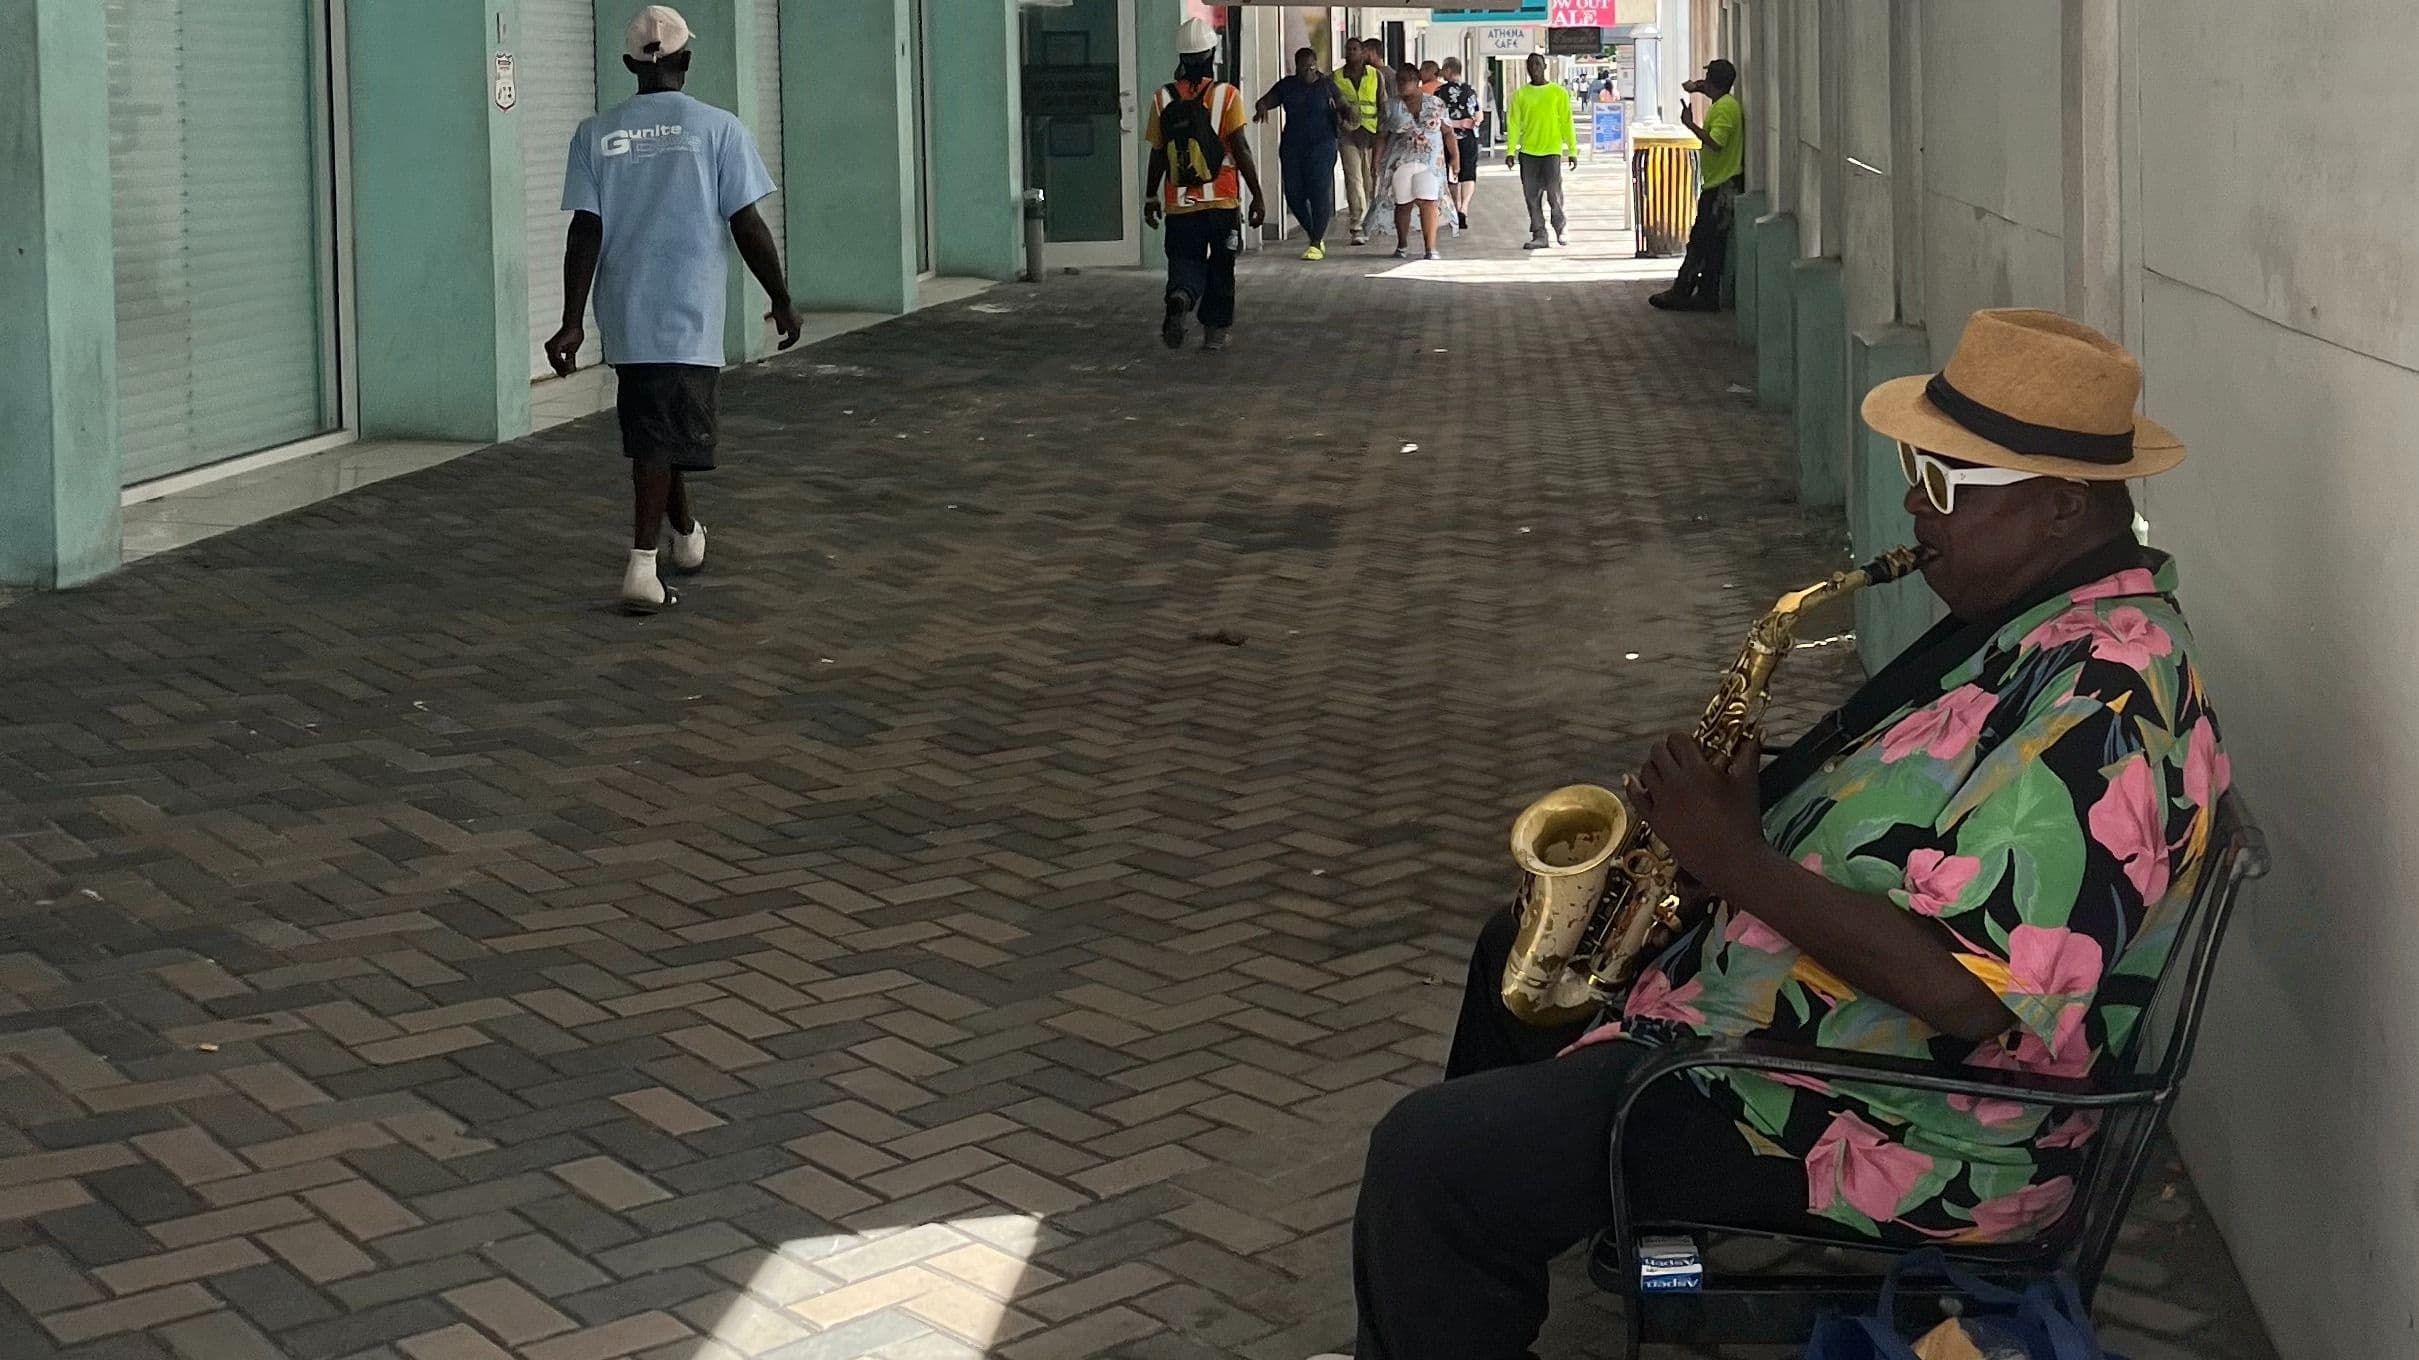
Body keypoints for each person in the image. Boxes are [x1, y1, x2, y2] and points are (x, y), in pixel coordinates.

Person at [1314, 309, 2226, 1360]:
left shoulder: (2106, 702)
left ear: (2062, 505)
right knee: (1508, 951)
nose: (1910, 508)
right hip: (1807, 1039)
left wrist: (1736, 859)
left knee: (1429, 1159)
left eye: (1942, 485)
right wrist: (1736, 836)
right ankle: (1458, 1287)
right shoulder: (2031, 623)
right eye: (1915, 470)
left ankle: (1465, 1244)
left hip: (1904, 1124)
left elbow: (1966, 991)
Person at [547, 5, 801, 615]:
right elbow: (747, 224)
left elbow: (585, 230)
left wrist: (573, 319)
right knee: (660, 436)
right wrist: (781, 297)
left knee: (655, 428)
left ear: (629, 64)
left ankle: (685, 537)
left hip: (628, 313)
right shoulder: (719, 129)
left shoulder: (594, 134)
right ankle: (640, 565)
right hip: (689, 312)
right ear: (686, 60)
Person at [1143, 17, 1265, 353]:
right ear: (1212, 54)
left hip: (1179, 204)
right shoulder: (1227, 95)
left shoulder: (1162, 98)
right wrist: (1257, 195)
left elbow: (1157, 154)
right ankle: (1215, 332)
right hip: (1221, 203)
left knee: (1184, 259)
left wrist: (1151, 195)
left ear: (1181, 56)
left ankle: (1182, 296)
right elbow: (1240, 148)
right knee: (1222, 266)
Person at [1652, 59, 1747, 311]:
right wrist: (1695, 87)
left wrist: (1690, 125)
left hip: (1720, 187)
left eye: (1707, 80)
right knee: (1713, 245)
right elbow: (1707, 87)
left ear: (1714, 83)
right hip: (1719, 183)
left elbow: (1716, 142)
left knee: (1700, 240)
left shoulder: (1725, 109)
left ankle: (1682, 290)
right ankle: (1706, 295)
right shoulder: (1725, 102)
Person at [1256, 46, 1352, 260]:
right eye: (1304, 68)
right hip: (1293, 146)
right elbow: (1267, 99)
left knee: (1319, 192)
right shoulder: (1288, 85)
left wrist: (1346, 113)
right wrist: (1262, 106)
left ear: (1317, 65)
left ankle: (1317, 241)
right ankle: (1313, 234)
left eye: (1312, 67)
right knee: (1293, 194)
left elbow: (1344, 104)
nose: (1309, 72)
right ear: (1296, 67)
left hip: (1323, 145)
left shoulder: (1327, 85)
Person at [1365, 63, 1457, 262]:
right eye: (1400, 81)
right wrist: (1376, 160)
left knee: (1428, 202)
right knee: (1403, 203)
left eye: (1407, 81)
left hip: (1430, 161)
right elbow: (1381, 135)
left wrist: (1455, 158)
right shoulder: (1390, 107)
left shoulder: (1435, 104)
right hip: (1401, 161)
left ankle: (1430, 248)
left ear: (1417, 82)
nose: (1403, 85)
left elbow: (1448, 132)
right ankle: (1402, 244)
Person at [1504, 52, 1576, 250]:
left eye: (1537, 64)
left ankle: (1560, 227)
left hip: (1551, 150)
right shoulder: (1520, 95)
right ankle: (1539, 234)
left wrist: (1572, 150)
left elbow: (1567, 122)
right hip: (1528, 152)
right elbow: (1514, 124)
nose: (1534, 67)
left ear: (1544, 66)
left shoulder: (1558, 93)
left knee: (1554, 192)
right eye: (1530, 65)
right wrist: (1510, 151)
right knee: (1532, 196)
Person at [1333, 39, 1382, 247]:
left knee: (1369, 180)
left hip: (1370, 134)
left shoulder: (1374, 75)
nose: (1350, 52)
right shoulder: (1335, 77)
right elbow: (1330, 105)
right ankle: (1356, 225)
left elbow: (1382, 103)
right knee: (1354, 179)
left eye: (1355, 49)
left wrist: (1383, 134)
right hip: (1347, 133)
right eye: (1348, 49)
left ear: (1363, 52)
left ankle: (1367, 220)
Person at [1436, 58, 1482, 233]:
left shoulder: (1440, 92)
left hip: (1449, 138)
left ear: (1448, 70)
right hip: (1469, 136)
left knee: (1452, 172)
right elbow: (1479, 115)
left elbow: (1439, 117)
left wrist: (1457, 124)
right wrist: (1472, 123)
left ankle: (1456, 206)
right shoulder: (1471, 91)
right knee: (1469, 173)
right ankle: (1465, 207)